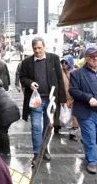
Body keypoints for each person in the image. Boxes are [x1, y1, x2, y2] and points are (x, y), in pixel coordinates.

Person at [20, 37, 66, 166]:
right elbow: (22, 78)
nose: (37, 51)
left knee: (47, 127)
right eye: (35, 48)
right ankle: (36, 154)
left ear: (44, 47)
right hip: (36, 100)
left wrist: (62, 99)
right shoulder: (27, 62)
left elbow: (59, 79)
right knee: (36, 126)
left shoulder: (54, 58)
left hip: (51, 100)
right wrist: (30, 83)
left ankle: (45, 149)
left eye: (39, 48)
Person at [61, 56, 80, 142]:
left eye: (66, 62)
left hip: (74, 98)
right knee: (61, 115)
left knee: (74, 117)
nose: (64, 64)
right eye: (62, 62)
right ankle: (57, 126)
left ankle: (73, 133)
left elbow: (79, 87)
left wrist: (74, 99)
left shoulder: (76, 73)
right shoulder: (60, 72)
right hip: (63, 98)